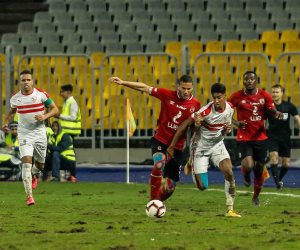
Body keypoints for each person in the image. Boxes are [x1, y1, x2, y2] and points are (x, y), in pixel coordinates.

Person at [109, 75, 201, 201]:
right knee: (159, 164)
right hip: (161, 140)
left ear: (192, 88)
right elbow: (144, 87)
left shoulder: (195, 104)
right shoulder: (166, 94)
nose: (186, 91)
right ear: (178, 86)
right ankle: (153, 200)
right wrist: (122, 82)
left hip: (178, 147)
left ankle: (157, 203)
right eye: (183, 88)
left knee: (170, 187)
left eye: (189, 89)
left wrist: (196, 125)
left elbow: (193, 129)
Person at [167, 83, 240, 217]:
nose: (216, 101)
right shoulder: (205, 112)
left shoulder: (230, 108)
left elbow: (225, 127)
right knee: (202, 187)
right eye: (214, 98)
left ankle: (230, 208)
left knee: (228, 171)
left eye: (219, 98)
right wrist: (196, 125)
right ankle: (192, 161)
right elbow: (186, 126)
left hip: (218, 145)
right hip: (200, 148)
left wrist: (227, 129)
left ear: (225, 96)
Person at [2, 70, 59, 206]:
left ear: (32, 81)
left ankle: (34, 175)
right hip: (24, 134)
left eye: (28, 80)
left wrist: (44, 117)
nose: (26, 82)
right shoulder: (15, 98)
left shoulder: (41, 95)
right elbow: (11, 112)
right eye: (23, 80)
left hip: (39, 133)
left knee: (40, 165)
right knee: (26, 163)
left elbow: (55, 109)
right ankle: (29, 196)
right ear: (20, 82)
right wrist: (6, 123)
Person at [228, 71, 283, 206]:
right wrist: (236, 123)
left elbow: (271, 109)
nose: (249, 81)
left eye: (252, 79)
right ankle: (246, 175)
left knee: (259, 169)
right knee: (248, 164)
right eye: (246, 79)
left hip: (260, 137)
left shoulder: (265, 96)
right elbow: (225, 112)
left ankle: (256, 196)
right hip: (244, 137)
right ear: (243, 81)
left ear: (256, 80)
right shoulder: (236, 96)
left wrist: (276, 113)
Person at [268, 84, 300, 190]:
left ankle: (279, 179)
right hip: (272, 136)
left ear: (282, 93)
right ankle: (277, 183)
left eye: (277, 92)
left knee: (286, 163)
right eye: (273, 92)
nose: (275, 94)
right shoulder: (268, 106)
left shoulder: (289, 106)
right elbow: (263, 120)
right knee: (273, 158)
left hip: (285, 137)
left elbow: (297, 118)